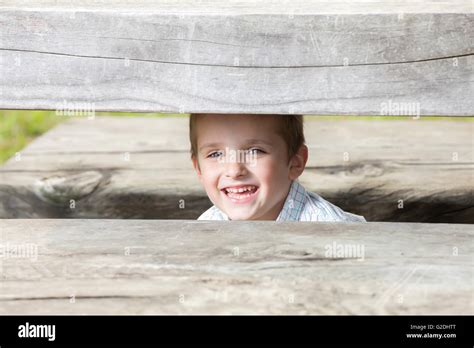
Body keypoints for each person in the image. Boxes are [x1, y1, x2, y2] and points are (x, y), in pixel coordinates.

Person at [189, 113, 366, 222]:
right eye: (215, 154)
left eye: (255, 151)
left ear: (295, 162)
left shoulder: (333, 232)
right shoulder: (206, 228)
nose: (234, 170)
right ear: (198, 169)